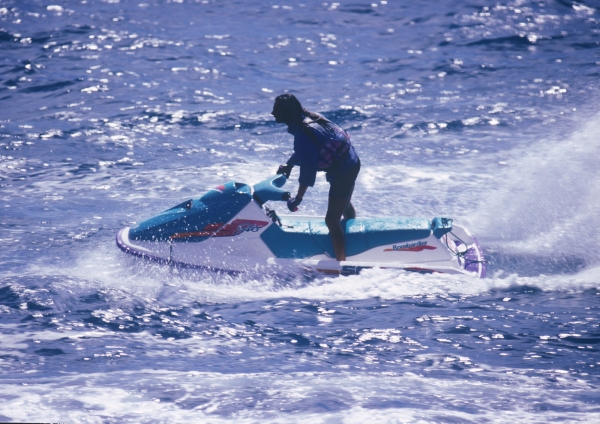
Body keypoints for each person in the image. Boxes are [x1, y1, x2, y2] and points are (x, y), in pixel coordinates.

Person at [272, 94, 361, 261]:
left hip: (345, 168)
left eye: (276, 109)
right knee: (343, 202)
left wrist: (298, 199)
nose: (272, 113)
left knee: (331, 220)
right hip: (347, 161)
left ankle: (341, 264)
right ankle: (351, 240)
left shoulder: (303, 132)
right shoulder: (309, 118)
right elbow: (307, 152)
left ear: (286, 112)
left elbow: (307, 171)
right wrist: (290, 164)